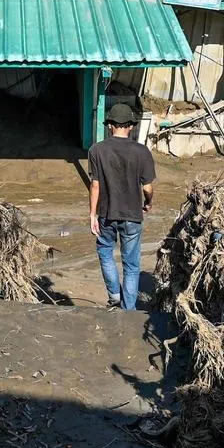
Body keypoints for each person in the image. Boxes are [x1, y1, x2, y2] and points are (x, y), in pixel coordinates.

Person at [87, 101, 155, 310]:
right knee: (132, 265)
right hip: (133, 216)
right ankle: (129, 309)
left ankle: (114, 295)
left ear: (110, 125)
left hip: (107, 214)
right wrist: (148, 203)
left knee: (106, 252)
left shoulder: (96, 150)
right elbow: (148, 187)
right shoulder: (142, 152)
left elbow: (95, 185)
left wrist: (92, 214)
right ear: (131, 126)